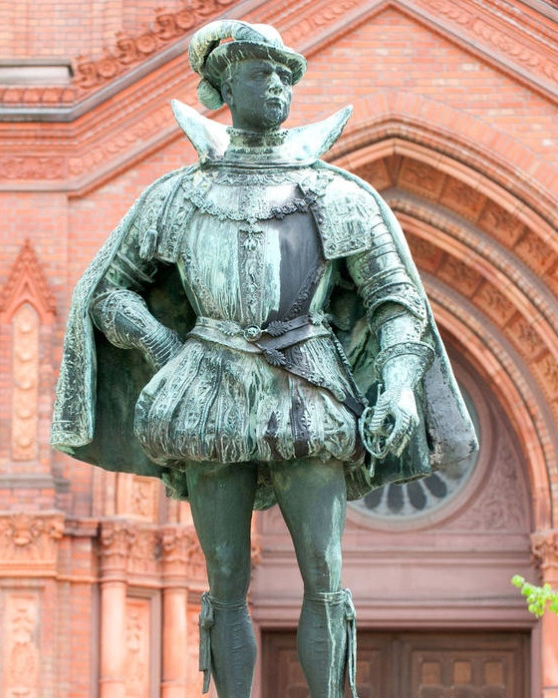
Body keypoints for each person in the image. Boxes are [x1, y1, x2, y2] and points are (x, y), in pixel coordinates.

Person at [50, 20, 477, 698]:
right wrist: (163, 347)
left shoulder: (335, 194)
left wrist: (397, 387)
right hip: (210, 392)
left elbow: (396, 303)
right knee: (224, 579)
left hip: (308, 387)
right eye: (259, 72)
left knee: (324, 573)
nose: (276, 84)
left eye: (284, 73)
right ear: (223, 86)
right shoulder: (180, 195)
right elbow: (111, 291)